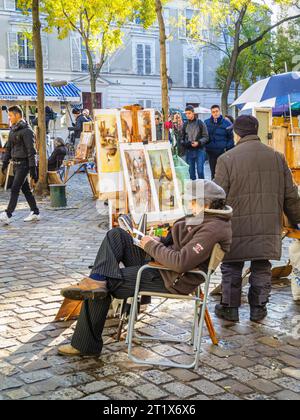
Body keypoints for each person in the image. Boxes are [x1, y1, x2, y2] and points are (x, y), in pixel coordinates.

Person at [57, 180, 233, 356]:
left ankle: (85, 345)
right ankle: (96, 281)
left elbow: (181, 262)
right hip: (163, 267)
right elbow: (179, 242)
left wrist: (151, 246)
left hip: (171, 279)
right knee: (116, 236)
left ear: (205, 203)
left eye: (192, 201)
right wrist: (159, 241)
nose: (189, 204)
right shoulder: (206, 217)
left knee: (107, 280)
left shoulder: (212, 228)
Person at [214, 115, 300, 323]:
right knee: (261, 265)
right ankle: (258, 309)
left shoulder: (226, 159)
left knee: (232, 265)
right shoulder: (277, 157)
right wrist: (297, 220)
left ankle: (230, 308)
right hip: (267, 225)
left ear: (236, 133)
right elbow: (291, 195)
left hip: (236, 224)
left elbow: (217, 197)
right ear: (256, 131)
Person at [0, 105, 40, 225]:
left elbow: (31, 151)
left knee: (15, 188)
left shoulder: (27, 131)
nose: (9, 118)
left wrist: (33, 168)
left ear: (17, 115)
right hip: (15, 165)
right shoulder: (13, 130)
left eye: (11, 115)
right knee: (26, 190)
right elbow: (8, 148)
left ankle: (8, 213)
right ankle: (35, 212)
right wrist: (5, 163)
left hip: (24, 164)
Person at [205, 105, 235, 179]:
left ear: (220, 111)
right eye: (213, 112)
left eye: (217, 111)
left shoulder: (227, 123)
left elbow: (231, 138)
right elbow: (204, 136)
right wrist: (207, 146)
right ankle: (214, 188)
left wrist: (227, 148)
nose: (215, 113)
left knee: (222, 171)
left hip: (222, 152)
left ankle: (222, 188)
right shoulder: (206, 123)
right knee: (213, 171)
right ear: (211, 113)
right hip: (211, 151)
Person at [182, 105, 209, 180]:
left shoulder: (200, 123)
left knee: (200, 171)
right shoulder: (185, 124)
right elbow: (182, 138)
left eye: (189, 113)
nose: (187, 115)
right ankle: (194, 190)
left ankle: (202, 188)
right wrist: (186, 143)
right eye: (186, 113)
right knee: (191, 172)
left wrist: (199, 142)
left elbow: (206, 137)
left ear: (193, 113)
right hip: (189, 150)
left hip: (200, 150)